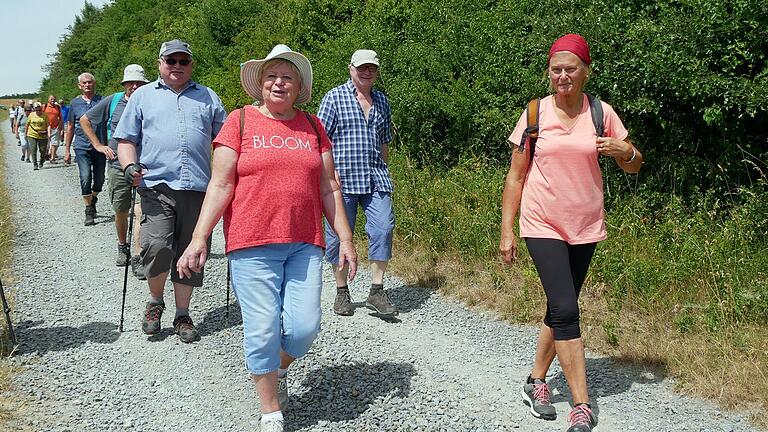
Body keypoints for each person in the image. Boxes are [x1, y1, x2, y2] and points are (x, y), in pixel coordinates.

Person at [177, 44, 357, 432]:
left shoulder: (312, 126)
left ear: (299, 87)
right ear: (260, 83)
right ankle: (270, 408)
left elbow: (329, 186)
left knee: (305, 326)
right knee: (262, 327)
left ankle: (275, 368)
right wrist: (199, 237)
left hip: (305, 241)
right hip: (251, 241)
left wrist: (345, 236)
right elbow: (221, 183)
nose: (279, 82)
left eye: (287, 76)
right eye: (272, 75)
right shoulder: (239, 122)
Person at [499, 34, 643, 432]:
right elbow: (515, 177)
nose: (563, 75)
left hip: (585, 225)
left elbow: (633, 164)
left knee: (559, 306)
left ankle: (535, 381)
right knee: (566, 308)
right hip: (541, 222)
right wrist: (507, 231)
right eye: (556, 69)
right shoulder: (534, 114)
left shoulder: (601, 112)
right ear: (549, 73)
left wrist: (625, 152)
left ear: (585, 71)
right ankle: (582, 404)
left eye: (571, 68)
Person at [114, 39, 227, 343]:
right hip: (156, 186)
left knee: (191, 252)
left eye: (183, 61)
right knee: (158, 246)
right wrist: (128, 166)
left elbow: (226, 140)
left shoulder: (208, 97)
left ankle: (182, 313)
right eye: (171, 60)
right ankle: (154, 302)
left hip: (198, 188)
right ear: (159, 63)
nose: (177, 66)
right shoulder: (142, 97)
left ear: (191, 65)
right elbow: (126, 140)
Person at [317, 49, 398, 317]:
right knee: (339, 235)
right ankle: (342, 292)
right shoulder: (334, 98)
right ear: (350, 68)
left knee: (383, 227)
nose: (366, 72)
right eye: (362, 67)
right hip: (341, 178)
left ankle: (376, 290)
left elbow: (384, 140)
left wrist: (384, 167)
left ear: (376, 71)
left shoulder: (382, 101)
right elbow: (320, 140)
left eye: (371, 68)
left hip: (375, 176)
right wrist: (327, 174)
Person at [80, 64, 149, 274]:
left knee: (140, 212)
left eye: (139, 82)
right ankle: (122, 246)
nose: (134, 86)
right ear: (124, 84)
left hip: (144, 167)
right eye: (130, 82)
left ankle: (138, 255)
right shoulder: (114, 100)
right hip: (118, 166)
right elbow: (85, 120)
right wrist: (99, 146)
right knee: (121, 211)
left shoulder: (151, 101)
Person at [64, 72, 105, 226]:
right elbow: (70, 127)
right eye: (84, 83)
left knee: (100, 179)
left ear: (94, 84)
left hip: (99, 147)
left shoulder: (102, 101)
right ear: (79, 86)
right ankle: (88, 209)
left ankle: (93, 198)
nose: (87, 85)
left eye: (90, 82)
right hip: (81, 146)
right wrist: (67, 150)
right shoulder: (75, 103)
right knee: (85, 176)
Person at [25, 102, 50, 171]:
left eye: (39, 110)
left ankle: (42, 161)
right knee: (33, 150)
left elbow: (48, 125)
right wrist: (25, 133)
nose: (38, 111)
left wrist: (48, 133)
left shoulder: (45, 115)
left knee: (43, 150)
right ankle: (35, 164)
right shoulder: (31, 115)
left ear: (41, 109)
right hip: (32, 134)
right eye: (36, 110)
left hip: (43, 135)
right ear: (34, 109)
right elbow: (27, 124)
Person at [42, 95, 63, 163]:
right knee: (46, 144)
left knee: (54, 144)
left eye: (54, 99)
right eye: (51, 99)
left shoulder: (57, 107)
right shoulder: (44, 106)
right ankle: (46, 155)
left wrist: (60, 127)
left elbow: (60, 118)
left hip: (55, 128)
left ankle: (52, 158)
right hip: (45, 128)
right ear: (48, 100)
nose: (53, 100)